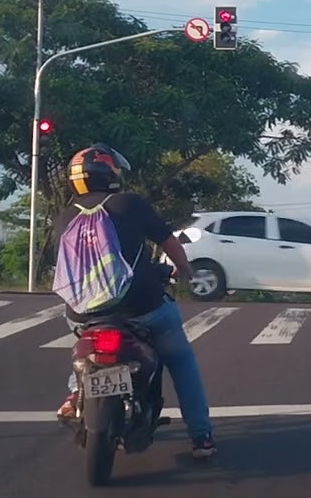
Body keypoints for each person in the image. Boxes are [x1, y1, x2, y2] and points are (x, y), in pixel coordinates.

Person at [52, 142, 217, 460]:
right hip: (143, 308)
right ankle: (201, 437)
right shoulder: (129, 204)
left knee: (81, 342)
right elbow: (169, 243)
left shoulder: (64, 217)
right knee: (181, 359)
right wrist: (183, 270)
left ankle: (75, 394)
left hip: (83, 314)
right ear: (109, 173)